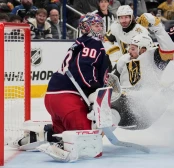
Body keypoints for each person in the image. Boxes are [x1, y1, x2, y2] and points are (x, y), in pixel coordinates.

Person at [8, 13, 112, 162]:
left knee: (65, 129)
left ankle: (41, 135)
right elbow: (83, 67)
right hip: (68, 101)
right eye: (96, 25)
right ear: (86, 27)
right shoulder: (94, 43)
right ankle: (64, 146)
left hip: (52, 98)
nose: (100, 28)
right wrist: (94, 90)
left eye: (101, 25)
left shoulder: (79, 42)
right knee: (92, 144)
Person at [112, 13, 174, 130]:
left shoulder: (154, 58)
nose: (129, 51)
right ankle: (101, 129)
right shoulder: (124, 59)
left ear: (143, 50)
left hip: (144, 114)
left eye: (132, 48)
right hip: (124, 109)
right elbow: (111, 81)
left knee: (167, 93)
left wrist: (156, 26)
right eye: (129, 47)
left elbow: (169, 49)